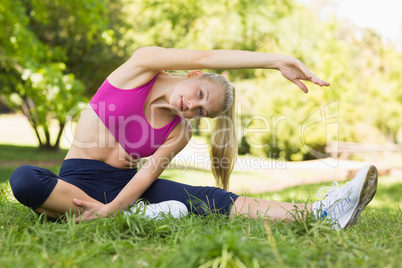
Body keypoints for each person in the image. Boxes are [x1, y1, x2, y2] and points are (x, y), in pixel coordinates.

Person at [9, 47, 377, 229]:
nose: (192, 107)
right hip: (77, 179)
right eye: (199, 95)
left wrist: (112, 208)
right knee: (24, 179)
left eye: (203, 112)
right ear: (194, 73)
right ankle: (138, 216)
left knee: (213, 198)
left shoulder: (179, 131)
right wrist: (272, 60)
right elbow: (209, 51)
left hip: (127, 189)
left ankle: (321, 213)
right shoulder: (143, 65)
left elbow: (145, 175)